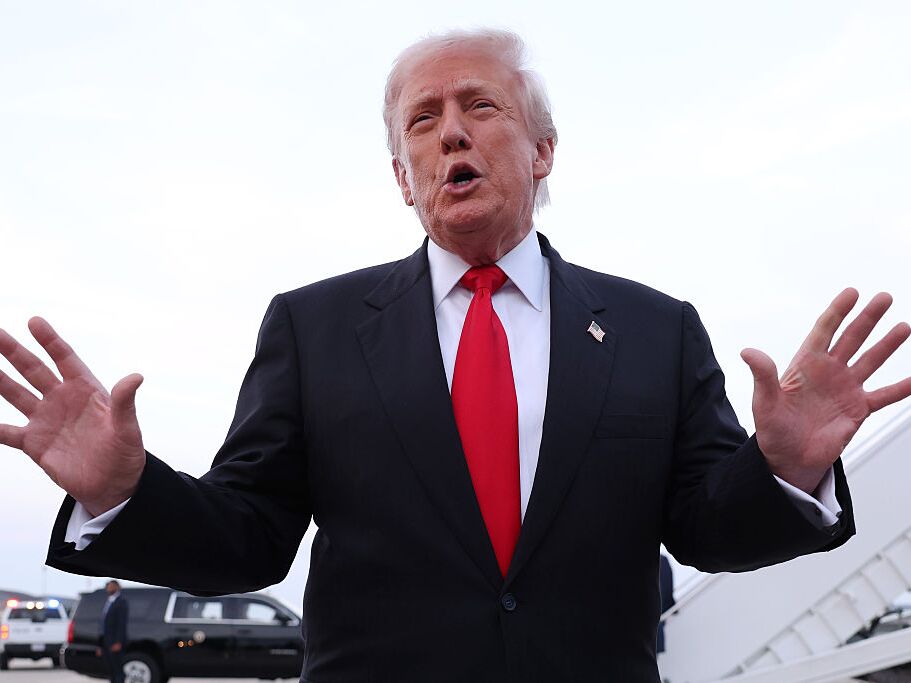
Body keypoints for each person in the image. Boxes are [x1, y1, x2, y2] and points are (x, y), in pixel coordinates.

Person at [1, 28, 910, 682]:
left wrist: (784, 469)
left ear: (543, 149)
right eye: (421, 121)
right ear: (403, 176)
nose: (449, 133)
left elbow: (707, 529)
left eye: (480, 106)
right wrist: (120, 491)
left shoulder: (653, 328)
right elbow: (249, 537)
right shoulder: (312, 329)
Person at [98, 580, 128, 683]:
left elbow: (121, 623)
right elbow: (103, 624)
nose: (108, 588)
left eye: (111, 586)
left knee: (118, 670)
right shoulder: (108, 601)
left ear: (117, 587)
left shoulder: (121, 602)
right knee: (110, 670)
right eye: (107, 586)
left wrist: (118, 642)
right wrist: (101, 645)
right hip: (106, 641)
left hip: (115, 642)